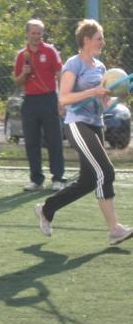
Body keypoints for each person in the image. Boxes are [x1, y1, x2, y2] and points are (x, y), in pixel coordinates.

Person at [34, 19, 133, 245]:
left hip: (96, 124)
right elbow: (64, 99)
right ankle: (114, 229)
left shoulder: (101, 68)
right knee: (105, 171)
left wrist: (119, 95)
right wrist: (92, 92)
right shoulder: (74, 64)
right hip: (77, 124)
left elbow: (104, 104)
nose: (103, 42)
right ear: (86, 40)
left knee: (89, 181)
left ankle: (46, 209)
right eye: (99, 38)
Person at [14, 19, 66, 192]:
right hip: (29, 101)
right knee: (31, 141)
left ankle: (58, 178)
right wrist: (24, 74)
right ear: (27, 34)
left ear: (42, 34)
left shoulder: (50, 51)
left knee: (54, 140)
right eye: (33, 33)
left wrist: (62, 100)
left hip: (49, 99)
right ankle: (36, 180)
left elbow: (60, 74)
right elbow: (17, 81)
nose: (36, 36)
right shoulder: (22, 55)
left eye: (39, 33)